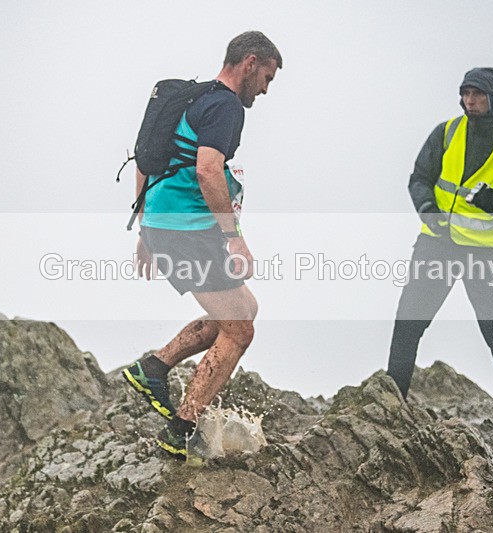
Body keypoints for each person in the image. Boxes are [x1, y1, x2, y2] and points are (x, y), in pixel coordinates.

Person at [122, 31, 282, 459]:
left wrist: (144, 229)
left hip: (164, 223)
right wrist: (234, 239)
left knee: (244, 308)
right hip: (187, 231)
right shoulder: (226, 106)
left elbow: (146, 160)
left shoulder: (191, 98)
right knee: (240, 330)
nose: (265, 89)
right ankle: (183, 427)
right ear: (249, 63)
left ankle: (153, 367)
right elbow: (208, 170)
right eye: (266, 77)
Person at [387, 68, 493, 445]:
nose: (469, 101)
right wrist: (427, 209)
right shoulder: (446, 132)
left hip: (486, 254)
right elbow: (419, 178)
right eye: (465, 93)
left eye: (477, 94)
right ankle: (390, 404)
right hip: (436, 244)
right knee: (409, 323)